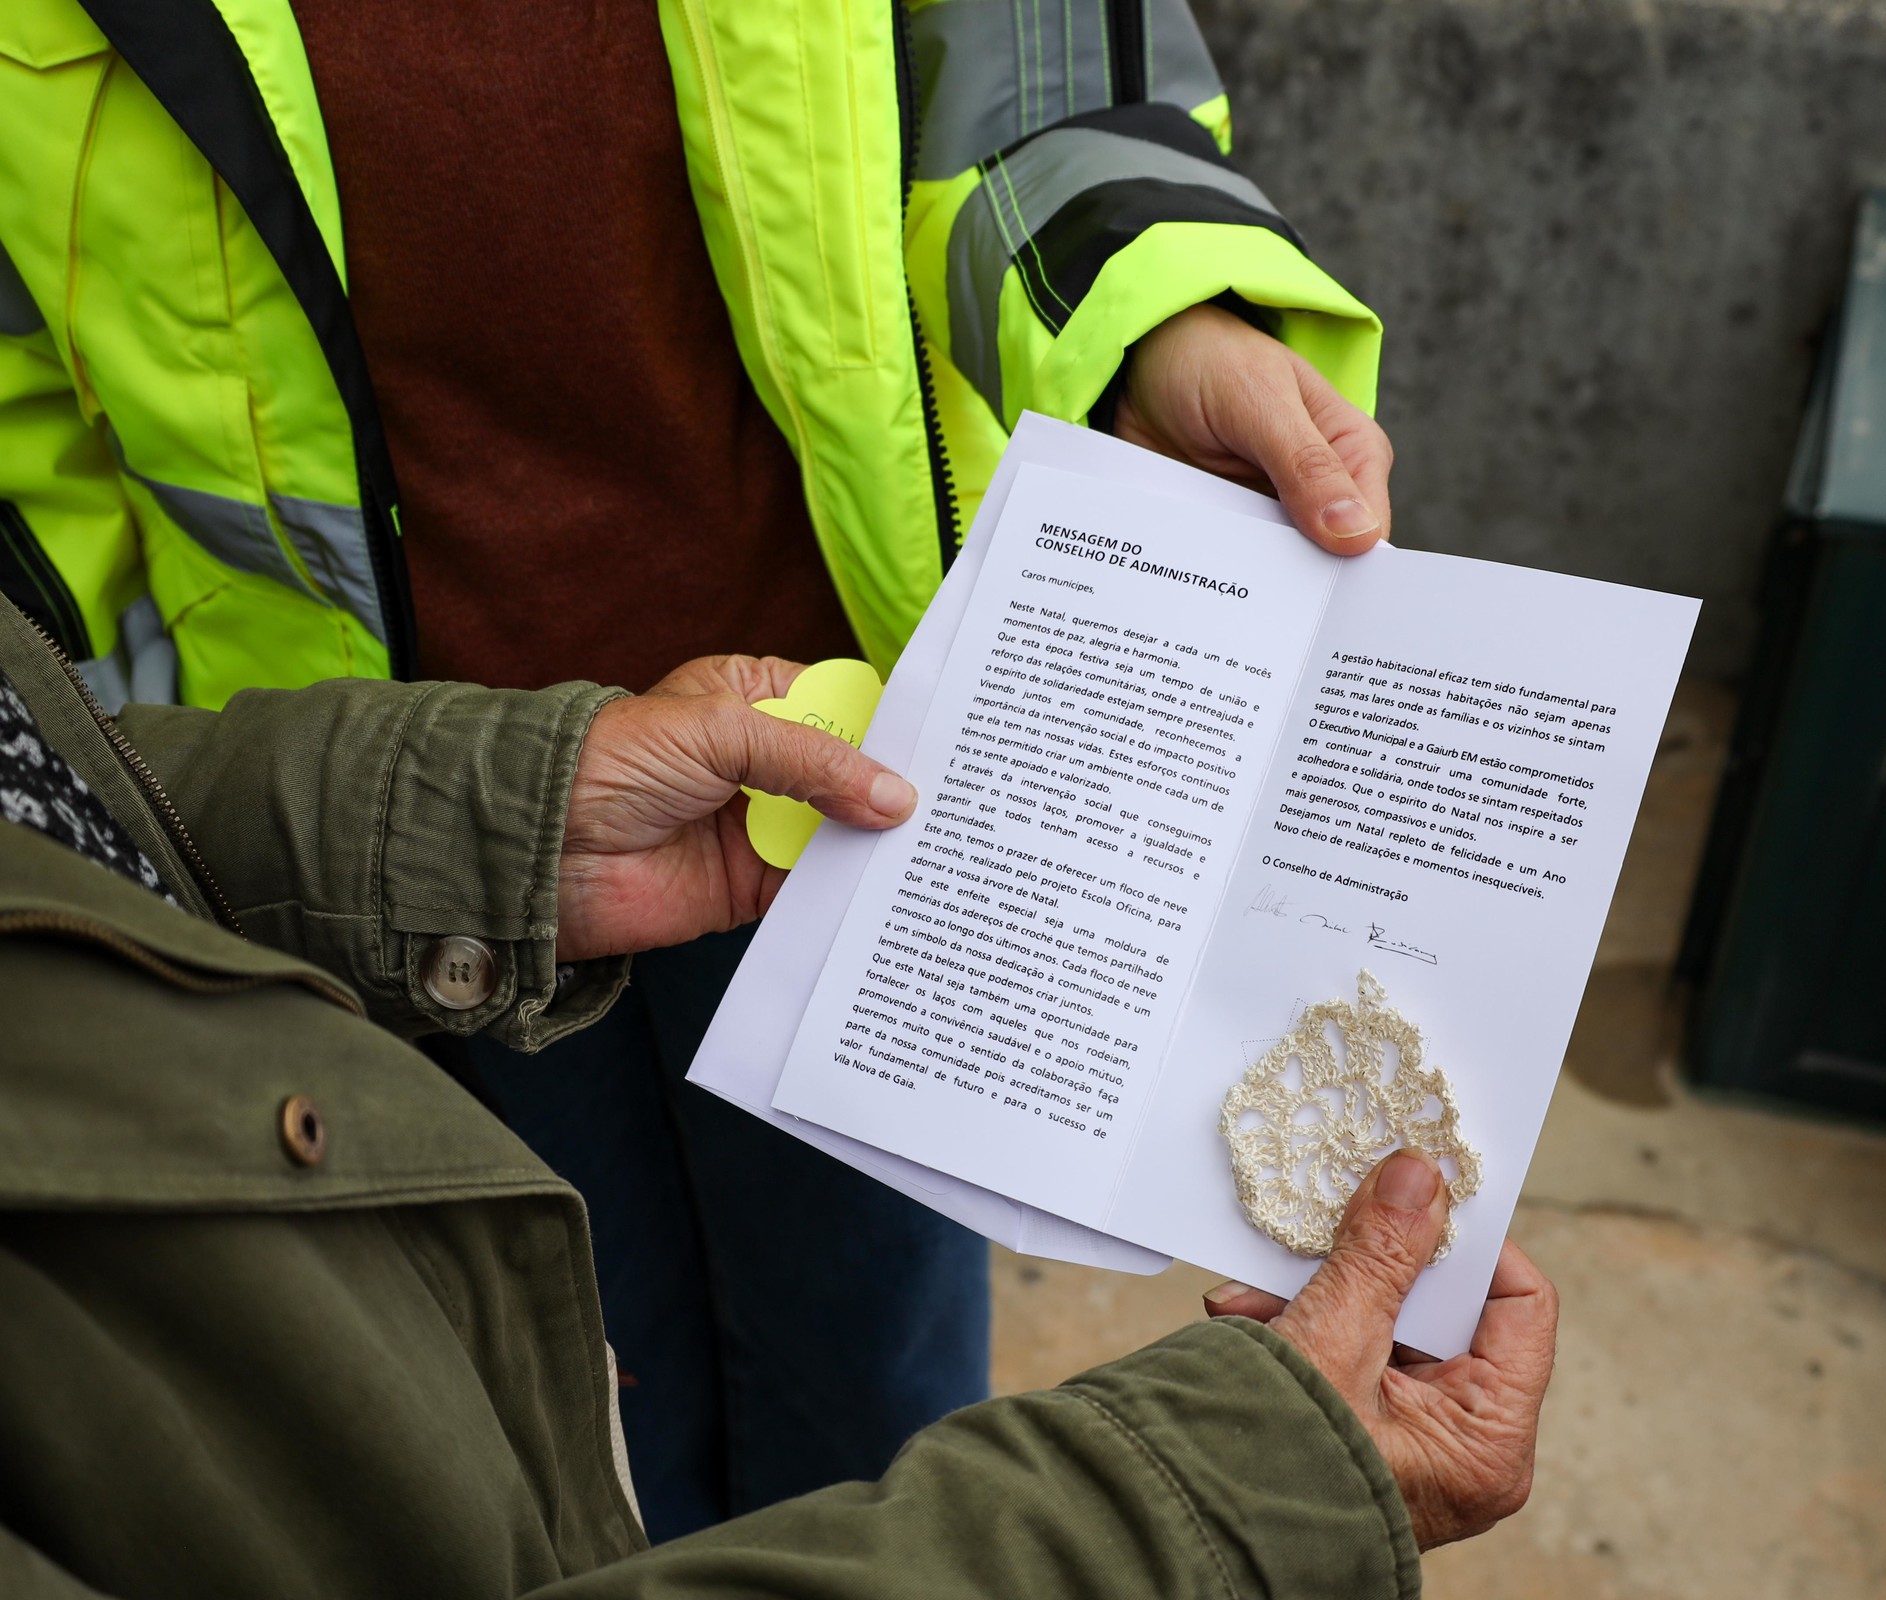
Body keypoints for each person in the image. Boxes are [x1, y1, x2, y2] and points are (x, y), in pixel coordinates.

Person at [0, 0, 1395, 1534]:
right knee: (555, 1418)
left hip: (856, 783)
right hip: (377, 835)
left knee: (876, 1401)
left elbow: (1028, 77)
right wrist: (159, 858)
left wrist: (1158, 324)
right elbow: (35, 466)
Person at [0, 596, 1553, 1598]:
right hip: (399, 693)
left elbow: (52, 808)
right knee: (647, 1371)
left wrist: (474, 826)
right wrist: (1227, 1491)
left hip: (740, 803)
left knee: (844, 1361)